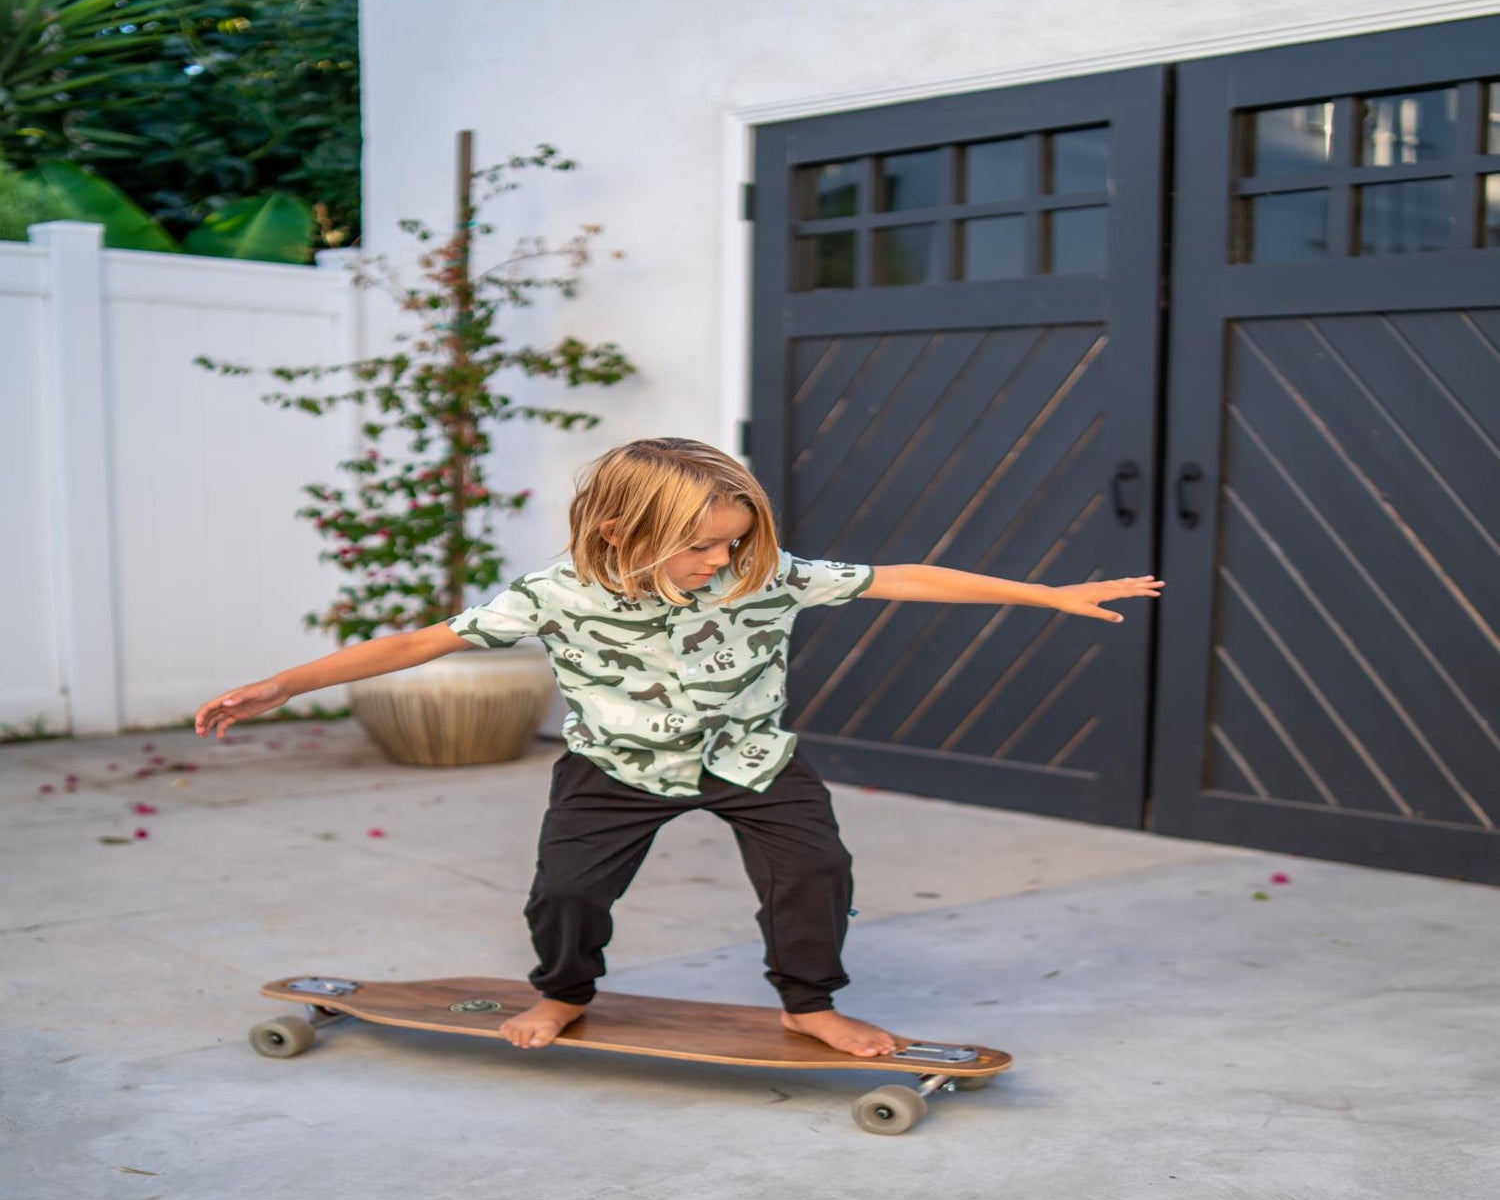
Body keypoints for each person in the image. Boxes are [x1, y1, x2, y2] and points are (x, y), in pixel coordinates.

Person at [196, 437, 1162, 1056]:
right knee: (568, 893)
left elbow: (898, 578)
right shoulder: (552, 595)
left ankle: (809, 1004)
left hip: (752, 758)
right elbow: (418, 642)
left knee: (815, 868)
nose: (721, 563)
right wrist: (285, 683)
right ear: (622, 531)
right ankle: (564, 992)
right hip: (615, 769)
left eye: (734, 545)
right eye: (703, 547)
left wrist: (1046, 596)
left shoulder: (765, 577)